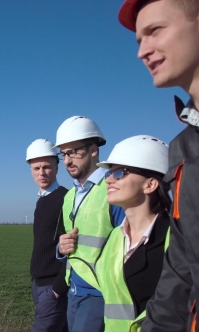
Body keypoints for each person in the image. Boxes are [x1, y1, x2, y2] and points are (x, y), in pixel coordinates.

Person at [117, 1, 199, 330]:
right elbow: (181, 274)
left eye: (154, 31)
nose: (142, 51)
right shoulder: (183, 149)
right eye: (138, 40)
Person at [62, 135, 171, 332]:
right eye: (109, 173)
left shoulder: (176, 240)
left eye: (120, 173)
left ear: (150, 185)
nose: (109, 180)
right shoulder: (115, 239)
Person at [55, 116, 125, 332]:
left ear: (94, 150)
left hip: (100, 293)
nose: (67, 160)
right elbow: (73, 242)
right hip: (74, 290)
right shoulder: (70, 196)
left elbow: (131, 245)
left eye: (74, 152)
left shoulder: (114, 187)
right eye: (64, 154)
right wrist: (61, 248)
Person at [26, 139, 70, 332]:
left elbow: (71, 246)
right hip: (39, 284)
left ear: (56, 167)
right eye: (36, 168)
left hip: (53, 286)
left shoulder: (66, 198)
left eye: (46, 167)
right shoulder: (41, 201)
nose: (41, 173)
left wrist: (59, 286)